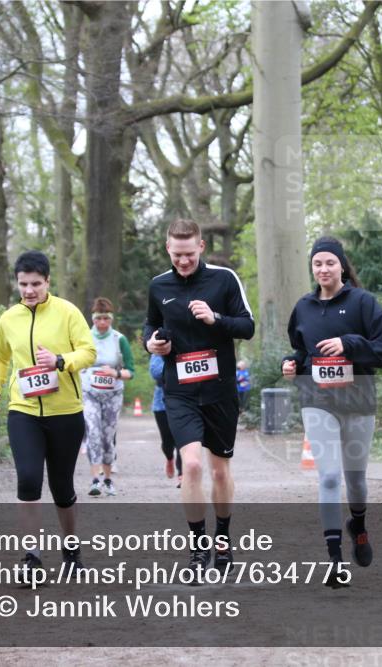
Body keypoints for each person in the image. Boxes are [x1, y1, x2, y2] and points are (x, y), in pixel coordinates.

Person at [282, 236, 382, 588]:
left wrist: (349, 344)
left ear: (342, 265)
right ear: (312, 268)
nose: (323, 269)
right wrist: (290, 363)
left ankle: (358, 526)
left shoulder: (363, 303)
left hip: (358, 402)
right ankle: (334, 560)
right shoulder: (303, 308)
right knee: (329, 476)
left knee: (356, 480)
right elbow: (300, 353)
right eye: (317, 264)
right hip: (318, 401)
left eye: (330, 262)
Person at [144, 219, 254, 580]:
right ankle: (197, 549)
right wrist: (152, 343)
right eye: (177, 255)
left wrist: (216, 318)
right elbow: (150, 326)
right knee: (190, 466)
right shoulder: (159, 285)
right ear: (167, 250)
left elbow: (247, 326)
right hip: (180, 391)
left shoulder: (224, 279)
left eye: (189, 254)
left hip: (220, 390)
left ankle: (222, 540)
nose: (184, 262)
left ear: (201, 247)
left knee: (219, 470)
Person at [0, 250, 96, 583]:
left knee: (62, 487)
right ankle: (31, 558)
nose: (29, 290)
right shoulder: (9, 318)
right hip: (24, 410)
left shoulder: (67, 312)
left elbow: (88, 352)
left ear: (48, 281)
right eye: (23, 284)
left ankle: (71, 550)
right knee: (29, 480)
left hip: (65, 412)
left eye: (35, 284)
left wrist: (60, 361)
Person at [80, 297, 135, 497]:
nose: (102, 323)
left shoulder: (119, 339)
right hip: (90, 394)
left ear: (111, 319)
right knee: (93, 432)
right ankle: (95, 480)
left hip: (112, 395)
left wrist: (116, 373)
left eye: (106, 318)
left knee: (107, 438)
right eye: (98, 318)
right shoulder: (84, 337)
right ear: (92, 319)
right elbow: (76, 362)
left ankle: (109, 479)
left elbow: (131, 371)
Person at [150, 353, 182, 486]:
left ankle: (182, 473)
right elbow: (156, 372)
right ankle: (169, 457)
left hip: (184, 400)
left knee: (183, 440)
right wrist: (179, 366)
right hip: (161, 403)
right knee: (167, 441)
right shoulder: (160, 348)